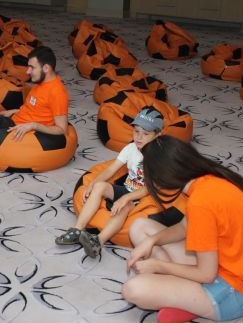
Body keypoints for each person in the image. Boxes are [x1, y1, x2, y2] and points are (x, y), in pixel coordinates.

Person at [123, 135, 243, 323]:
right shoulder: (210, 180)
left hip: (236, 293)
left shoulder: (201, 203)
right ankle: (186, 297)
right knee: (139, 227)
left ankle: (190, 301)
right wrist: (151, 241)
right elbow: (184, 227)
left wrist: (158, 266)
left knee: (133, 289)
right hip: (222, 264)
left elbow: (206, 274)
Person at [55, 107, 164, 258]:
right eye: (136, 131)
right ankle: (77, 230)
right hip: (127, 188)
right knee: (100, 186)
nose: (139, 137)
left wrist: (126, 198)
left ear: (158, 135)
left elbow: (150, 188)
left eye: (146, 134)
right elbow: (111, 169)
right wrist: (93, 183)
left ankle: (98, 241)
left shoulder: (159, 156)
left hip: (142, 197)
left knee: (124, 206)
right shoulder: (131, 148)